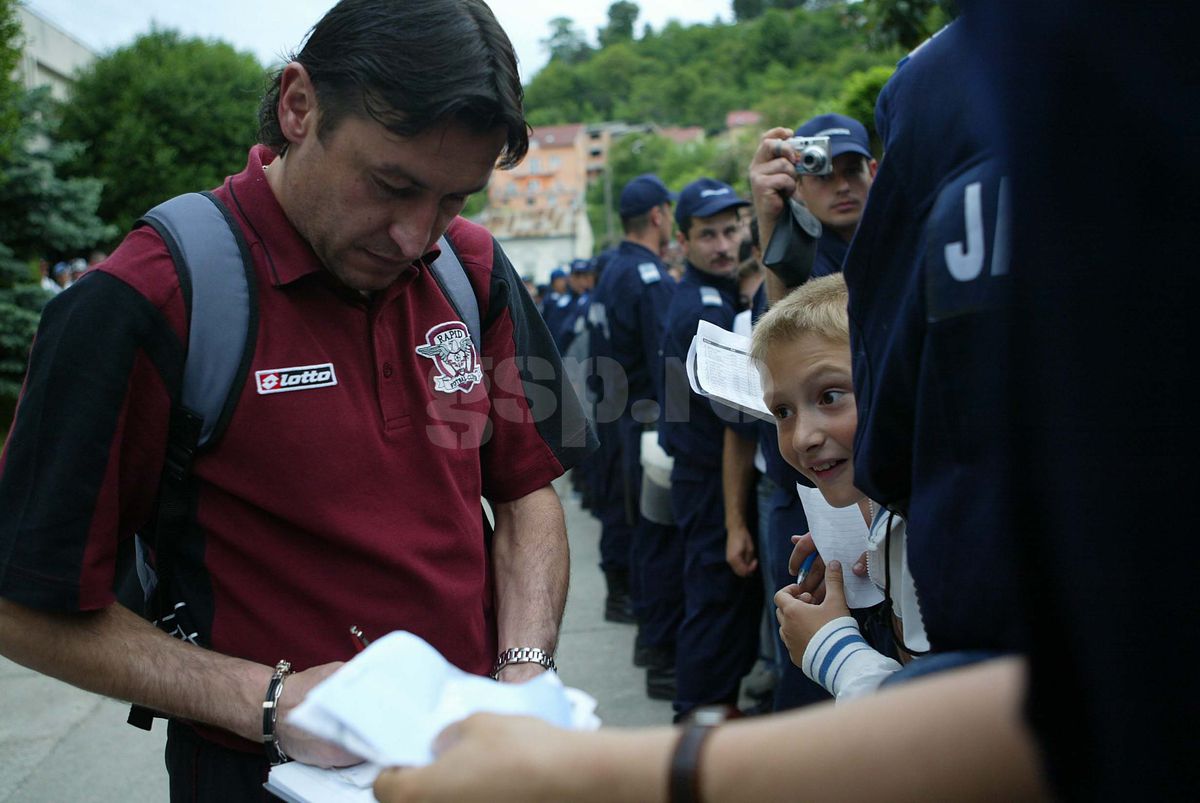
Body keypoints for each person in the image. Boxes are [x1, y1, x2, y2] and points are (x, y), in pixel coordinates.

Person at [0, 1, 594, 799]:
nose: (417, 236)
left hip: (470, 766)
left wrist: (526, 674)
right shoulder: (152, 298)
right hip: (263, 775)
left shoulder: (473, 271)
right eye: (393, 185)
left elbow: (523, 489)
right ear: (298, 105)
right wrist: (268, 700)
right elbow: (22, 603)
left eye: (454, 199)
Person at [750, 274, 922, 701]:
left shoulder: (940, 530)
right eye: (782, 411)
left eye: (830, 396)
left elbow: (946, 727)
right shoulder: (899, 514)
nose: (802, 436)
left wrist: (833, 650)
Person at [658, 177, 761, 719]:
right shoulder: (705, 308)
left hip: (702, 469)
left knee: (718, 596)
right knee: (716, 597)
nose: (723, 245)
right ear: (683, 241)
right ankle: (700, 715)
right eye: (708, 235)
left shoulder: (714, 295)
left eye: (731, 230)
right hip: (707, 476)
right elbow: (736, 417)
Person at [587, 172, 682, 697]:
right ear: (658, 216)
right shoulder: (647, 276)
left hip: (616, 413)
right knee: (655, 534)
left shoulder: (611, 270)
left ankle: (639, 619)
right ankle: (655, 642)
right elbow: (666, 360)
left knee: (631, 524)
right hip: (644, 418)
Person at [748, 112, 877, 300]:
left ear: (873, 172)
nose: (842, 187)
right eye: (823, 175)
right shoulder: (801, 264)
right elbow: (785, 320)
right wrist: (769, 217)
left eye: (852, 171)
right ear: (797, 184)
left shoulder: (898, 240)